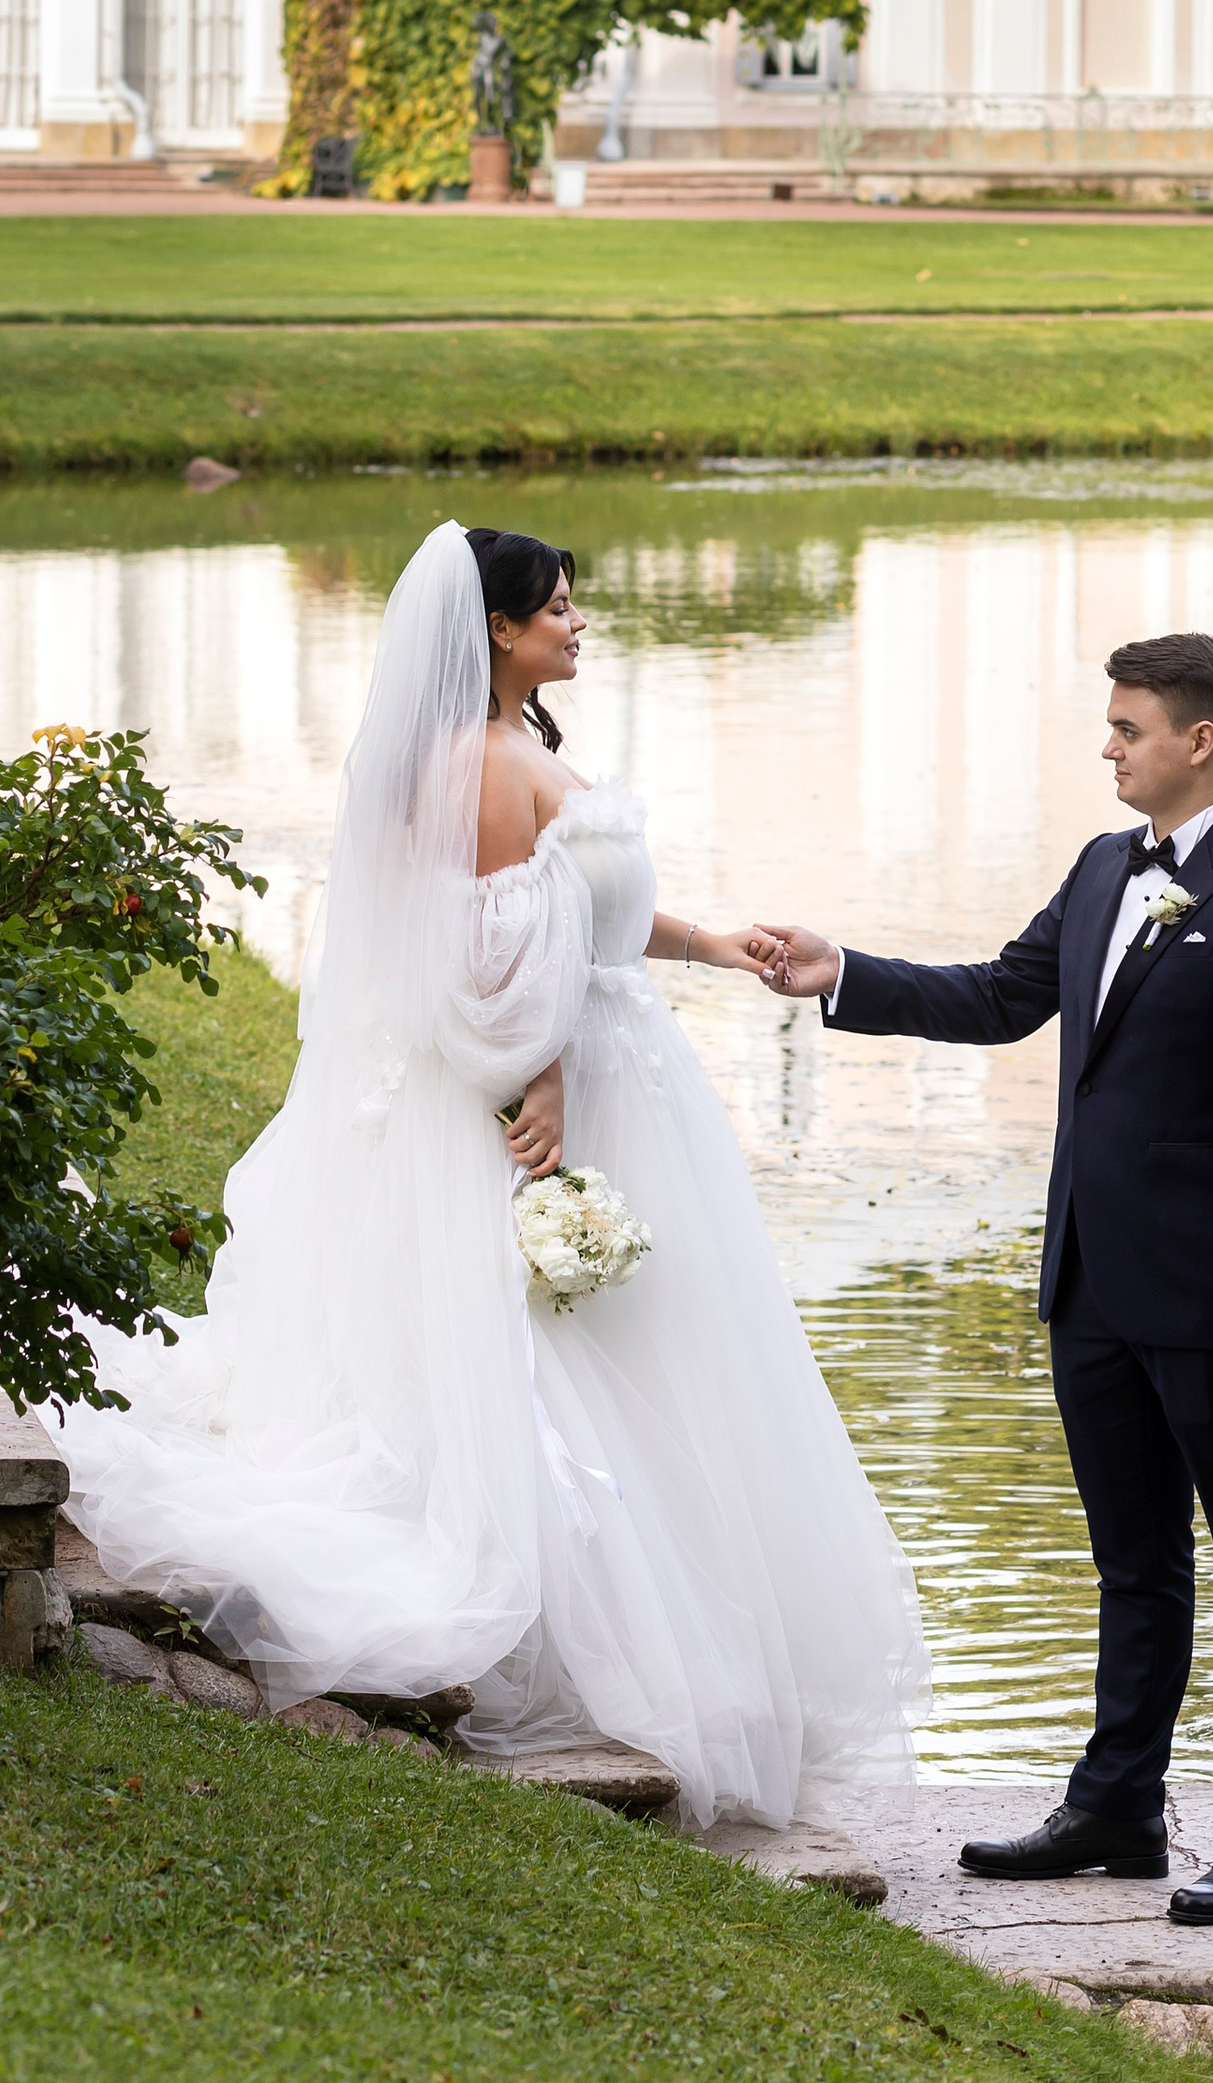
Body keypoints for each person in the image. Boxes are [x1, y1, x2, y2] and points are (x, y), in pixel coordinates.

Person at [61, 519, 926, 1831]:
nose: (579, 623)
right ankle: (581, 1640)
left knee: (648, 1358)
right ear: (497, 632)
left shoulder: (527, 747)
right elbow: (471, 961)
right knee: (545, 1363)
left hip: (625, 1073)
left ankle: (689, 1633)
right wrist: (545, 1073)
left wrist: (713, 942)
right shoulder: (469, 764)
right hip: (545, 1094)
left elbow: (586, 915)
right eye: (558, 607)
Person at [745, 628, 1213, 1925]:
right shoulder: (1099, 867)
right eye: (1110, 726)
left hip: (1212, 1302)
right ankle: (1120, 1805)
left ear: (1200, 741)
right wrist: (838, 973)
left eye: (1128, 729)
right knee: (1135, 1563)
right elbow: (1003, 997)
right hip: (1091, 1284)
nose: (1109, 747)